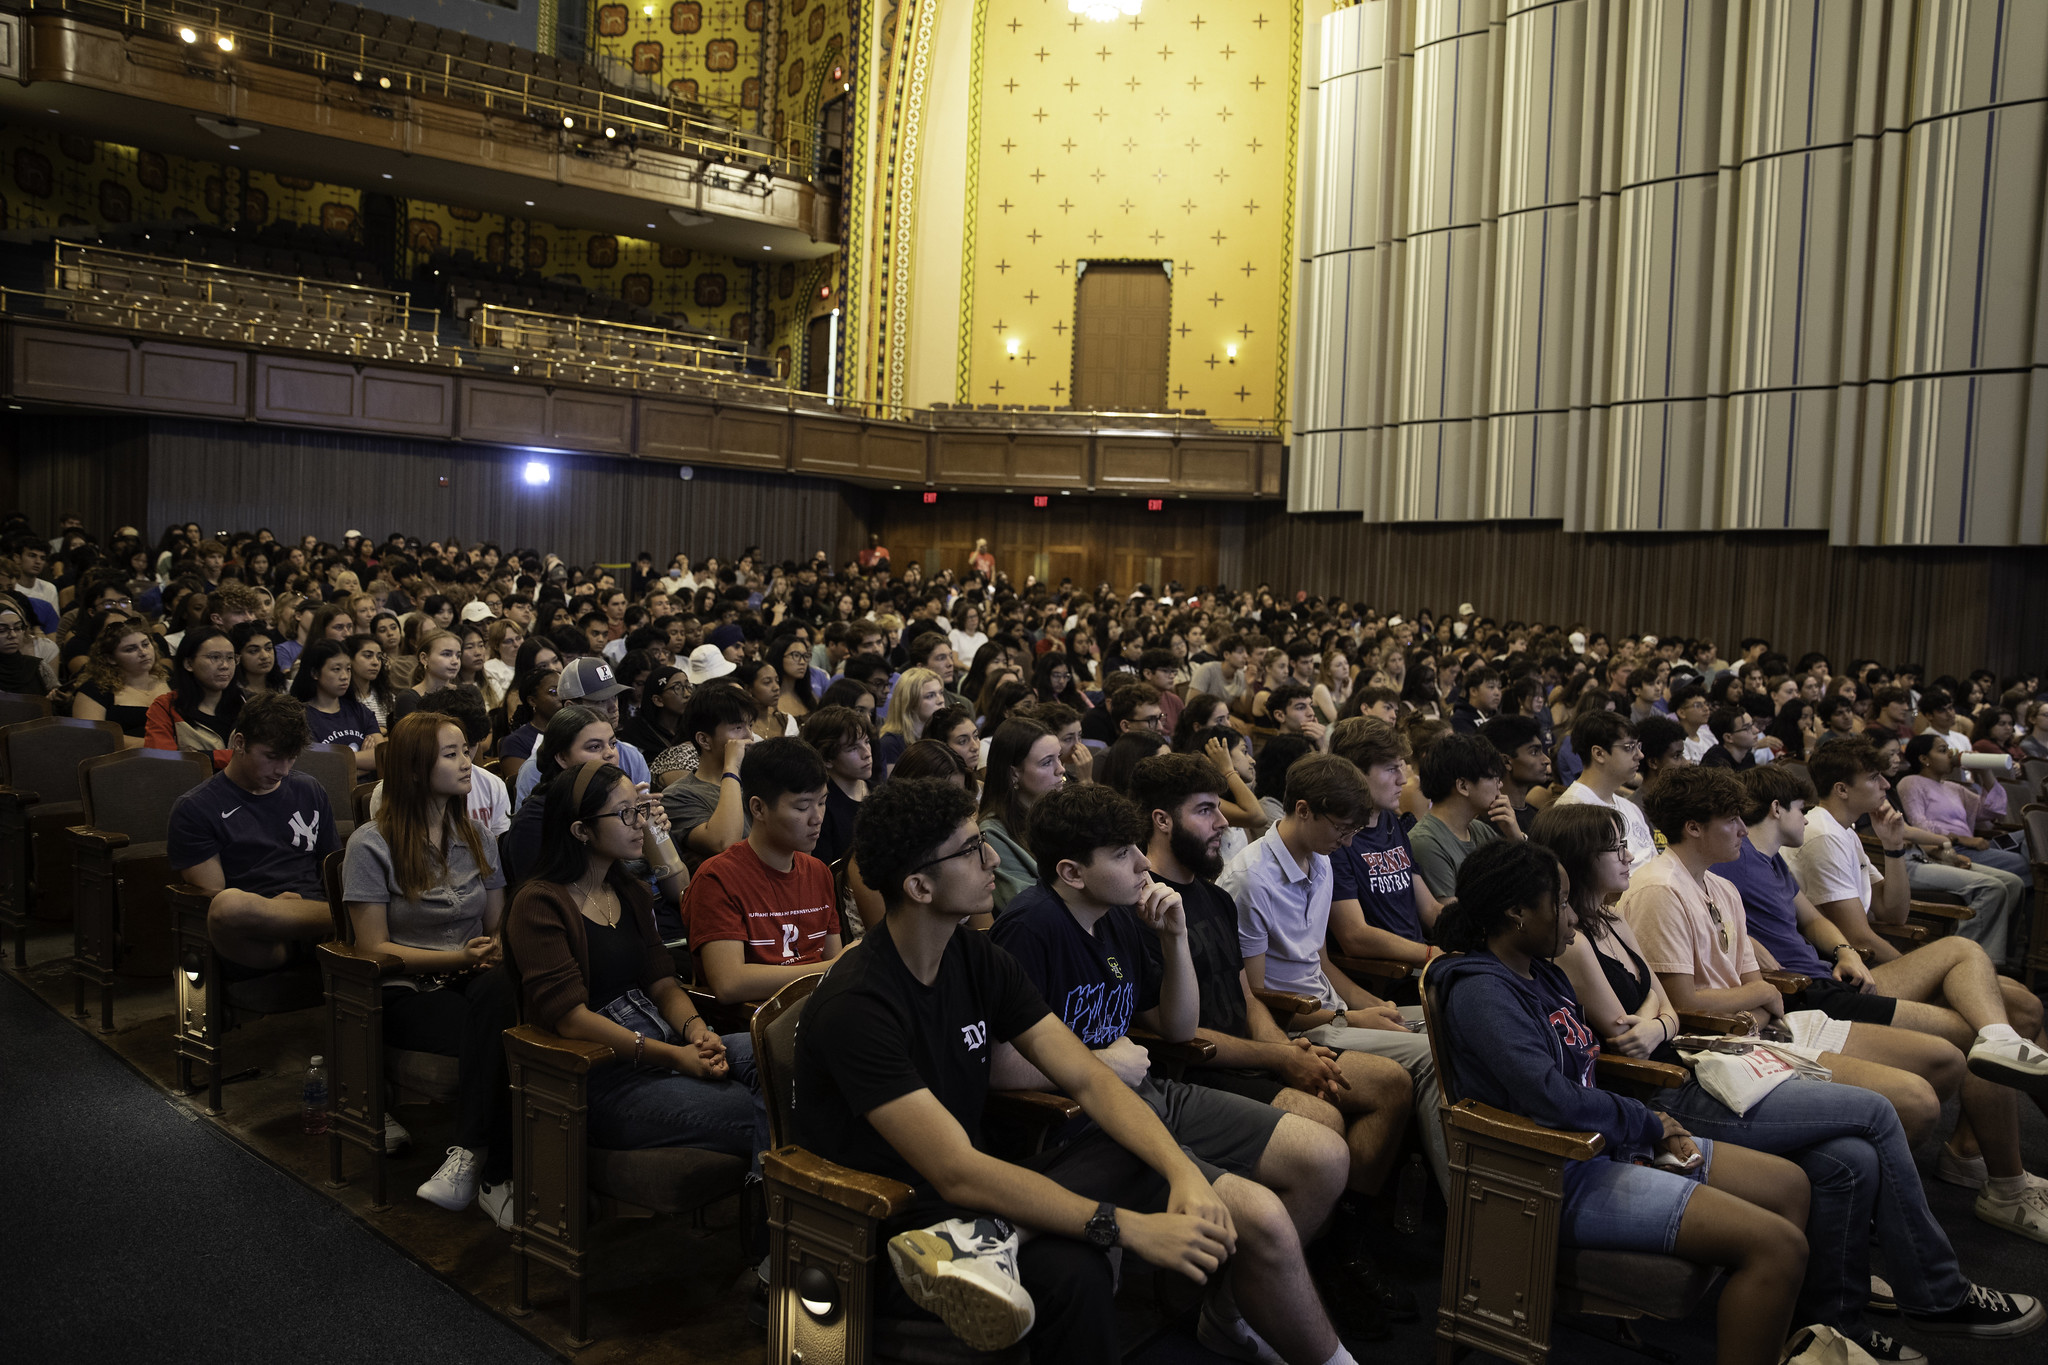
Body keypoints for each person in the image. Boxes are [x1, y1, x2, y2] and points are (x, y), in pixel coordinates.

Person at [988, 781, 1358, 1365]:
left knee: (1325, 1156)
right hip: (1085, 1125)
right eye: (1121, 854)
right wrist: (1103, 1061)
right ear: (1072, 872)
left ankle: (1230, 1309)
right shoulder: (1031, 928)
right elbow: (1001, 1069)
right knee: (1263, 1215)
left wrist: (1175, 938)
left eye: (1138, 847)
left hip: (1147, 1091)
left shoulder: (1115, 917)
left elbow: (1179, 1028)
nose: (1143, 862)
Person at [1130, 753, 1417, 1335]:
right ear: (1162, 821)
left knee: (1391, 1084)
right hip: (1198, 1069)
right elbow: (1171, 1032)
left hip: (1255, 1047)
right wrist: (1280, 1055)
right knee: (1322, 1121)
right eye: (1207, 810)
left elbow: (1249, 998)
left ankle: (1332, 1249)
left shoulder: (1209, 895)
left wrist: (1289, 1050)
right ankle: (1248, 1291)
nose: (1225, 823)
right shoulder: (1142, 905)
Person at [504, 761, 763, 1161]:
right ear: (581, 831)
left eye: (641, 809)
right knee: (756, 1109)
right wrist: (677, 1056)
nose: (641, 823)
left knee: (782, 1055)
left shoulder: (632, 891)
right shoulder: (539, 903)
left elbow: (662, 983)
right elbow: (571, 1017)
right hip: (602, 1076)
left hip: (663, 1042)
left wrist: (697, 1032)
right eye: (626, 813)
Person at [1222, 753, 1450, 1193]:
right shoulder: (1250, 881)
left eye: (1353, 832)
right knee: (1430, 1055)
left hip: (1331, 1009)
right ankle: (1432, 1199)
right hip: (1294, 1027)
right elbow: (1255, 999)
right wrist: (1347, 1018)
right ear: (1303, 810)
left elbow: (1322, 964)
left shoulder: (1320, 857)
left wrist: (1372, 1005)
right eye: (1342, 829)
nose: (1348, 844)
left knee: (1446, 1022)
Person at [343, 712, 518, 1225]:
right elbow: (373, 947)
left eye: (467, 750)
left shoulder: (478, 835)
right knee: (499, 1030)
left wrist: (494, 949)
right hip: (406, 989)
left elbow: (497, 923)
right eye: (453, 754)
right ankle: (493, 1174)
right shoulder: (370, 844)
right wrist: (461, 957)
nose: (469, 763)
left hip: (472, 978)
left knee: (509, 997)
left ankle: (474, 1160)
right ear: (417, 769)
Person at [168, 693, 340, 975]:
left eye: (291, 758)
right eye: (272, 757)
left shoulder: (309, 788)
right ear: (239, 743)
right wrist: (275, 909)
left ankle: (343, 922)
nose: (283, 770)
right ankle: (350, 920)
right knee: (228, 907)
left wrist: (303, 908)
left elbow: (331, 864)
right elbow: (213, 899)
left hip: (317, 915)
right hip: (261, 932)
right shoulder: (196, 808)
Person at [682, 738, 843, 1005]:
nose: (817, 818)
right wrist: (833, 968)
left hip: (818, 1011)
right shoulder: (718, 878)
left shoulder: (818, 872)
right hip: (754, 1025)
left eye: (823, 802)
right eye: (802, 807)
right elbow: (729, 983)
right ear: (758, 808)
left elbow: (832, 965)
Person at [1324, 718, 1443, 968]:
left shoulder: (1390, 821)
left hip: (1420, 963)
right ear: (1354, 772)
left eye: (1402, 767)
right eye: (1391, 769)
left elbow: (1430, 909)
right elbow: (1354, 936)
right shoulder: (1335, 840)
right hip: (1387, 976)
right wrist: (1432, 955)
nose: (1402, 780)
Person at [658, 683, 758, 875]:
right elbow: (724, 843)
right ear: (704, 740)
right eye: (738, 727)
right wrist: (731, 768)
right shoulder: (677, 795)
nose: (749, 736)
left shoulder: (757, 780)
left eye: (750, 725)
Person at [1407, 732, 1517, 900]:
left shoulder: (1480, 830)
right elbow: (1451, 919)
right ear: (1463, 786)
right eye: (1494, 777)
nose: (1500, 784)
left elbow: (1527, 886)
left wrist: (1516, 837)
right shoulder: (1425, 842)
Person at [978, 717, 1065, 913]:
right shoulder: (992, 834)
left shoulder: (1058, 815)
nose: (1061, 769)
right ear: (1014, 774)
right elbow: (1028, 907)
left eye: (1059, 757)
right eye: (1047, 762)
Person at [1553, 710, 1657, 869]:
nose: (1640, 755)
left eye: (1638, 746)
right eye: (1630, 747)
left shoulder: (1631, 808)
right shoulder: (1572, 811)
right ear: (1599, 753)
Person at [144, 628, 244, 756]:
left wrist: (203, 756)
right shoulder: (166, 707)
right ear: (189, 663)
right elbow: (163, 761)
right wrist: (232, 757)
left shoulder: (248, 703)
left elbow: (265, 755)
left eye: (230, 657)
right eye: (215, 657)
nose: (225, 665)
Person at [72, 617, 170, 745]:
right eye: (130, 649)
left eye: (145, 644)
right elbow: (91, 737)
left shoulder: (169, 678)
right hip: (123, 761)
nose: (143, 652)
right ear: (111, 658)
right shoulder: (94, 690)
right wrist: (155, 744)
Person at [289, 639, 382, 773]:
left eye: (348, 669)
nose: (345, 676)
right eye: (336, 669)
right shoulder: (299, 717)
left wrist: (338, 760)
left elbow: (380, 756)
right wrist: (362, 761)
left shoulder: (360, 711)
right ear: (315, 673)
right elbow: (317, 768)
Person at [803, 705, 872, 867]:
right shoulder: (822, 807)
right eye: (853, 748)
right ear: (827, 758)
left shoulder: (880, 792)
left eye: (867, 742)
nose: (867, 753)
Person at [877, 665, 945, 779]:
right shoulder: (890, 744)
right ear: (910, 703)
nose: (941, 700)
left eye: (941, 693)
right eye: (930, 696)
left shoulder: (940, 736)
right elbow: (893, 792)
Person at [391, 629, 463, 723]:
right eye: (446, 654)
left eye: (458, 655)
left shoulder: (468, 693)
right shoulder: (408, 699)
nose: (455, 661)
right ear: (424, 658)